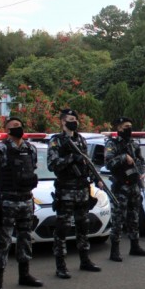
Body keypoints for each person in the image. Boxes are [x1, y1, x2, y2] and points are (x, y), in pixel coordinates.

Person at [0, 117, 42, 289]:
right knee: (3, 241)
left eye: (19, 125)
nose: (18, 128)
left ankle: (24, 275)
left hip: (26, 201)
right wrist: (4, 189)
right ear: (6, 129)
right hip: (7, 202)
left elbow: (32, 169)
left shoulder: (30, 149)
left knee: (25, 237)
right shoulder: (0, 149)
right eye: (14, 126)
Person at [47, 108, 103, 278]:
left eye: (75, 119)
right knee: (62, 229)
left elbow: (87, 163)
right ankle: (61, 265)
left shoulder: (81, 140)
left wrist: (96, 178)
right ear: (63, 121)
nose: (74, 121)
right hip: (65, 191)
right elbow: (52, 165)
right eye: (70, 119)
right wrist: (72, 158)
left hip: (82, 190)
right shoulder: (56, 141)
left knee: (83, 227)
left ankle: (85, 260)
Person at [104, 116, 145, 261]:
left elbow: (142, 161)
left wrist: (143, 172)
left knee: (134, 217)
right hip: (121, 186)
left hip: (134, 185)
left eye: (130, 126)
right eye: (126, 127)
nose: (129, 129)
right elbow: (109, 163)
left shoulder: (134, 144)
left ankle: (135, 246)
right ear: (118, 128)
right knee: (118, 219)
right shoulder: (112, 144)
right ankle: (115, 250)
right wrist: (124, 157)